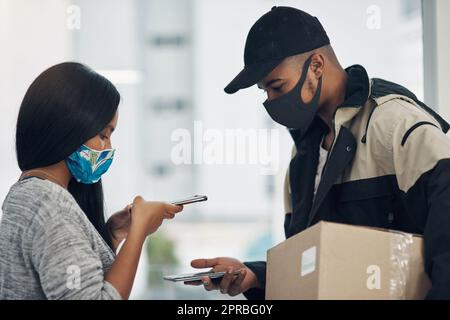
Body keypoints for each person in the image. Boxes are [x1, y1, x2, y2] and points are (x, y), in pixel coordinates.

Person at [187, 6, 450, 299]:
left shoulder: (397, 126)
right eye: (265, 92)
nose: (271, 101)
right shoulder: (300, 162)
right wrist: (256, 277)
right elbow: (315, 265)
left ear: (316, 66)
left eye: (276, 86)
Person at [0, 62, 183, 299]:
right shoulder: (50, 203)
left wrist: (113, 235)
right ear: (69, 127)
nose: (108, 148)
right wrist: (139, 231)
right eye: (103, 135)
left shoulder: (28, 194)